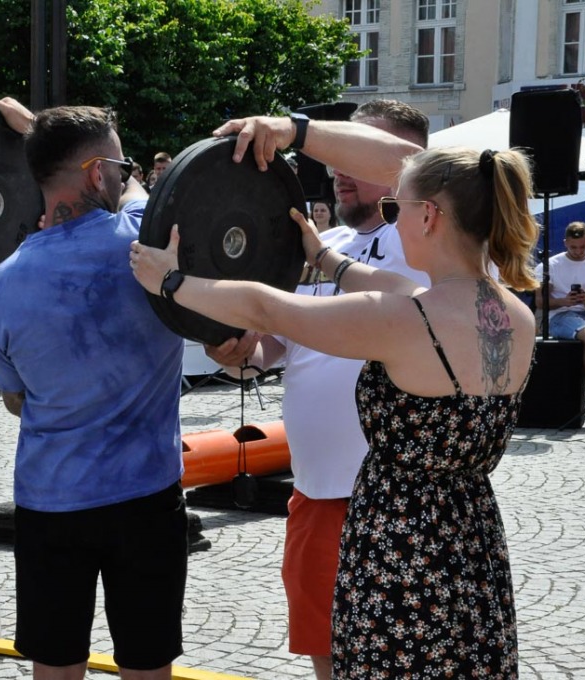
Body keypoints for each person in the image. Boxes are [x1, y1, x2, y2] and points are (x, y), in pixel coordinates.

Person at [131, 116, 537, 677]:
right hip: (470, 535)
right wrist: (322, 258)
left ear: (428, 216)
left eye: (397, 209)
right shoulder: (510, 312)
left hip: (399, 543)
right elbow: (388, 285)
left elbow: (268, 308)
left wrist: (172, 282)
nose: (392, 220)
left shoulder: (404, 320)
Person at [197, 100, 431, 680]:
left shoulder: (432, 246)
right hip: (313, 494)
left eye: (354, 150)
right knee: (326, 653)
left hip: (396, 502)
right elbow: (270, 352)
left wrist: (297, 131)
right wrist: (234, 354)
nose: (337, 167)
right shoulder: (318, 243)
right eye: (334, 151)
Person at [0, 98, 186, 680]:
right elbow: (140, 193)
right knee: (148, 666)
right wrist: (38, 124)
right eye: (119, 164)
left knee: (56, 665)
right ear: (97, 174)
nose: (124, 173)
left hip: (51, 502)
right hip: (146, 495)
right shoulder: (145, 242)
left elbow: (16, 399)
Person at [536, 221, 585, 409]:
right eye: (573, 247)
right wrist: (565, 301)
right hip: (559, 315)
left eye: (583, 247)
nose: (578, 251)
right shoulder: (550, 265)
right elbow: (540, 303)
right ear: (565, 243)